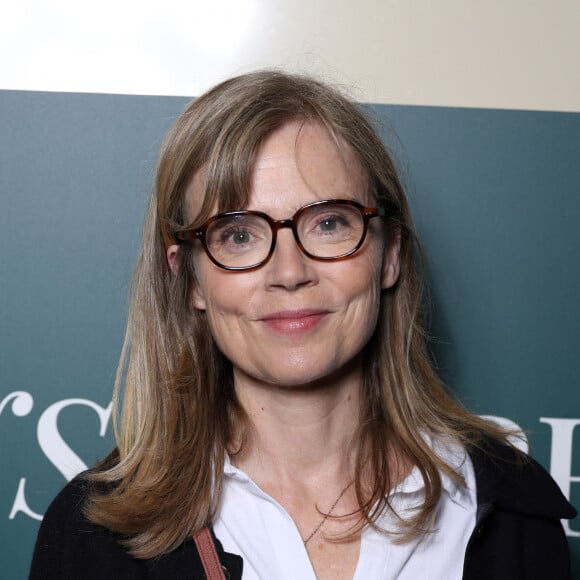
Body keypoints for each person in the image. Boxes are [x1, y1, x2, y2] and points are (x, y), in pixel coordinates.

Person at [30, 70, 576, 580]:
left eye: (330, 223)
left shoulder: (513, 509)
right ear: (190, 280)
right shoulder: (92, 536)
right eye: (238, 234)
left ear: (389, 255)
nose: (289, 272)